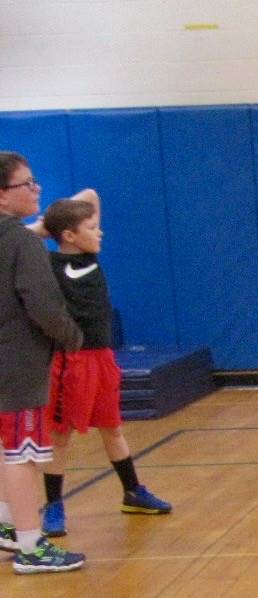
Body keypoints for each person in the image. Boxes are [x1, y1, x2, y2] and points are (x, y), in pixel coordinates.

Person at [37, 193, 171, 537]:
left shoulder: (92, 256)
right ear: (68, 235)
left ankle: (132, 492)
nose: (100, 232)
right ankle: (53, 504)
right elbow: (12, 235)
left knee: (112, 428)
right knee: (60, 435)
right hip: (70, 361)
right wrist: (43, 229)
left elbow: (90, 195)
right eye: (92, 227)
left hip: (102, 358)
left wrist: (52, 224)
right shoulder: (48, 264)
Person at [0, 150, 85, 574]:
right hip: (17, 365)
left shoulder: (15, 238)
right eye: (27, 183)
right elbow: (44, 305)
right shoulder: (20, 243)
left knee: (5, 450)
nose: (36, 189)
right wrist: (72, 336)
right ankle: (32, 546)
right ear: (2, 195)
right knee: (23, 455)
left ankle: (5, 525)